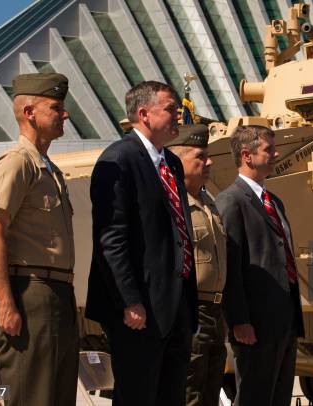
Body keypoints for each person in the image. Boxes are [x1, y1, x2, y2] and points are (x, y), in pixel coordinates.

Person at [86, 81, 198, 406]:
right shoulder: (119, 159)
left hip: (175, 305)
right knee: (138, 395)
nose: (179, 117)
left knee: (171, 395)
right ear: (144, 114)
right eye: (171, 110)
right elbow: (112, 238)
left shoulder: (171, 164)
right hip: (139, 310)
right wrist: (129, 300)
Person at [0, 73, 78, 406]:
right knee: (31, 396)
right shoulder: (18, 164)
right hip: (30, 293)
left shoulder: (47, 168)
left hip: (57, 293)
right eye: (56, 107)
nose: (64, 114)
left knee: (58, 396)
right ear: (30, 112)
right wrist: (6, 303)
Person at [216, 125, 304, 406]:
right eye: (269, 149)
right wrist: (239, 320)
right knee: (254, 396)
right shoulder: (231, 201)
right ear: (247, 155)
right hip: (256, 324)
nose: (276, 154)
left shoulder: (273, 201)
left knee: (278, 397)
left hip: (284, 320)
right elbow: (230, 266)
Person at [167, 124, 228, 406]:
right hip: (190, 311)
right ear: (178, 161)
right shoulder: (171, 204)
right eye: (200, 157)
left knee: (210, 391)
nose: (209, 162)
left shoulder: (209, 204)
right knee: (188, 390)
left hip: (215, 312)